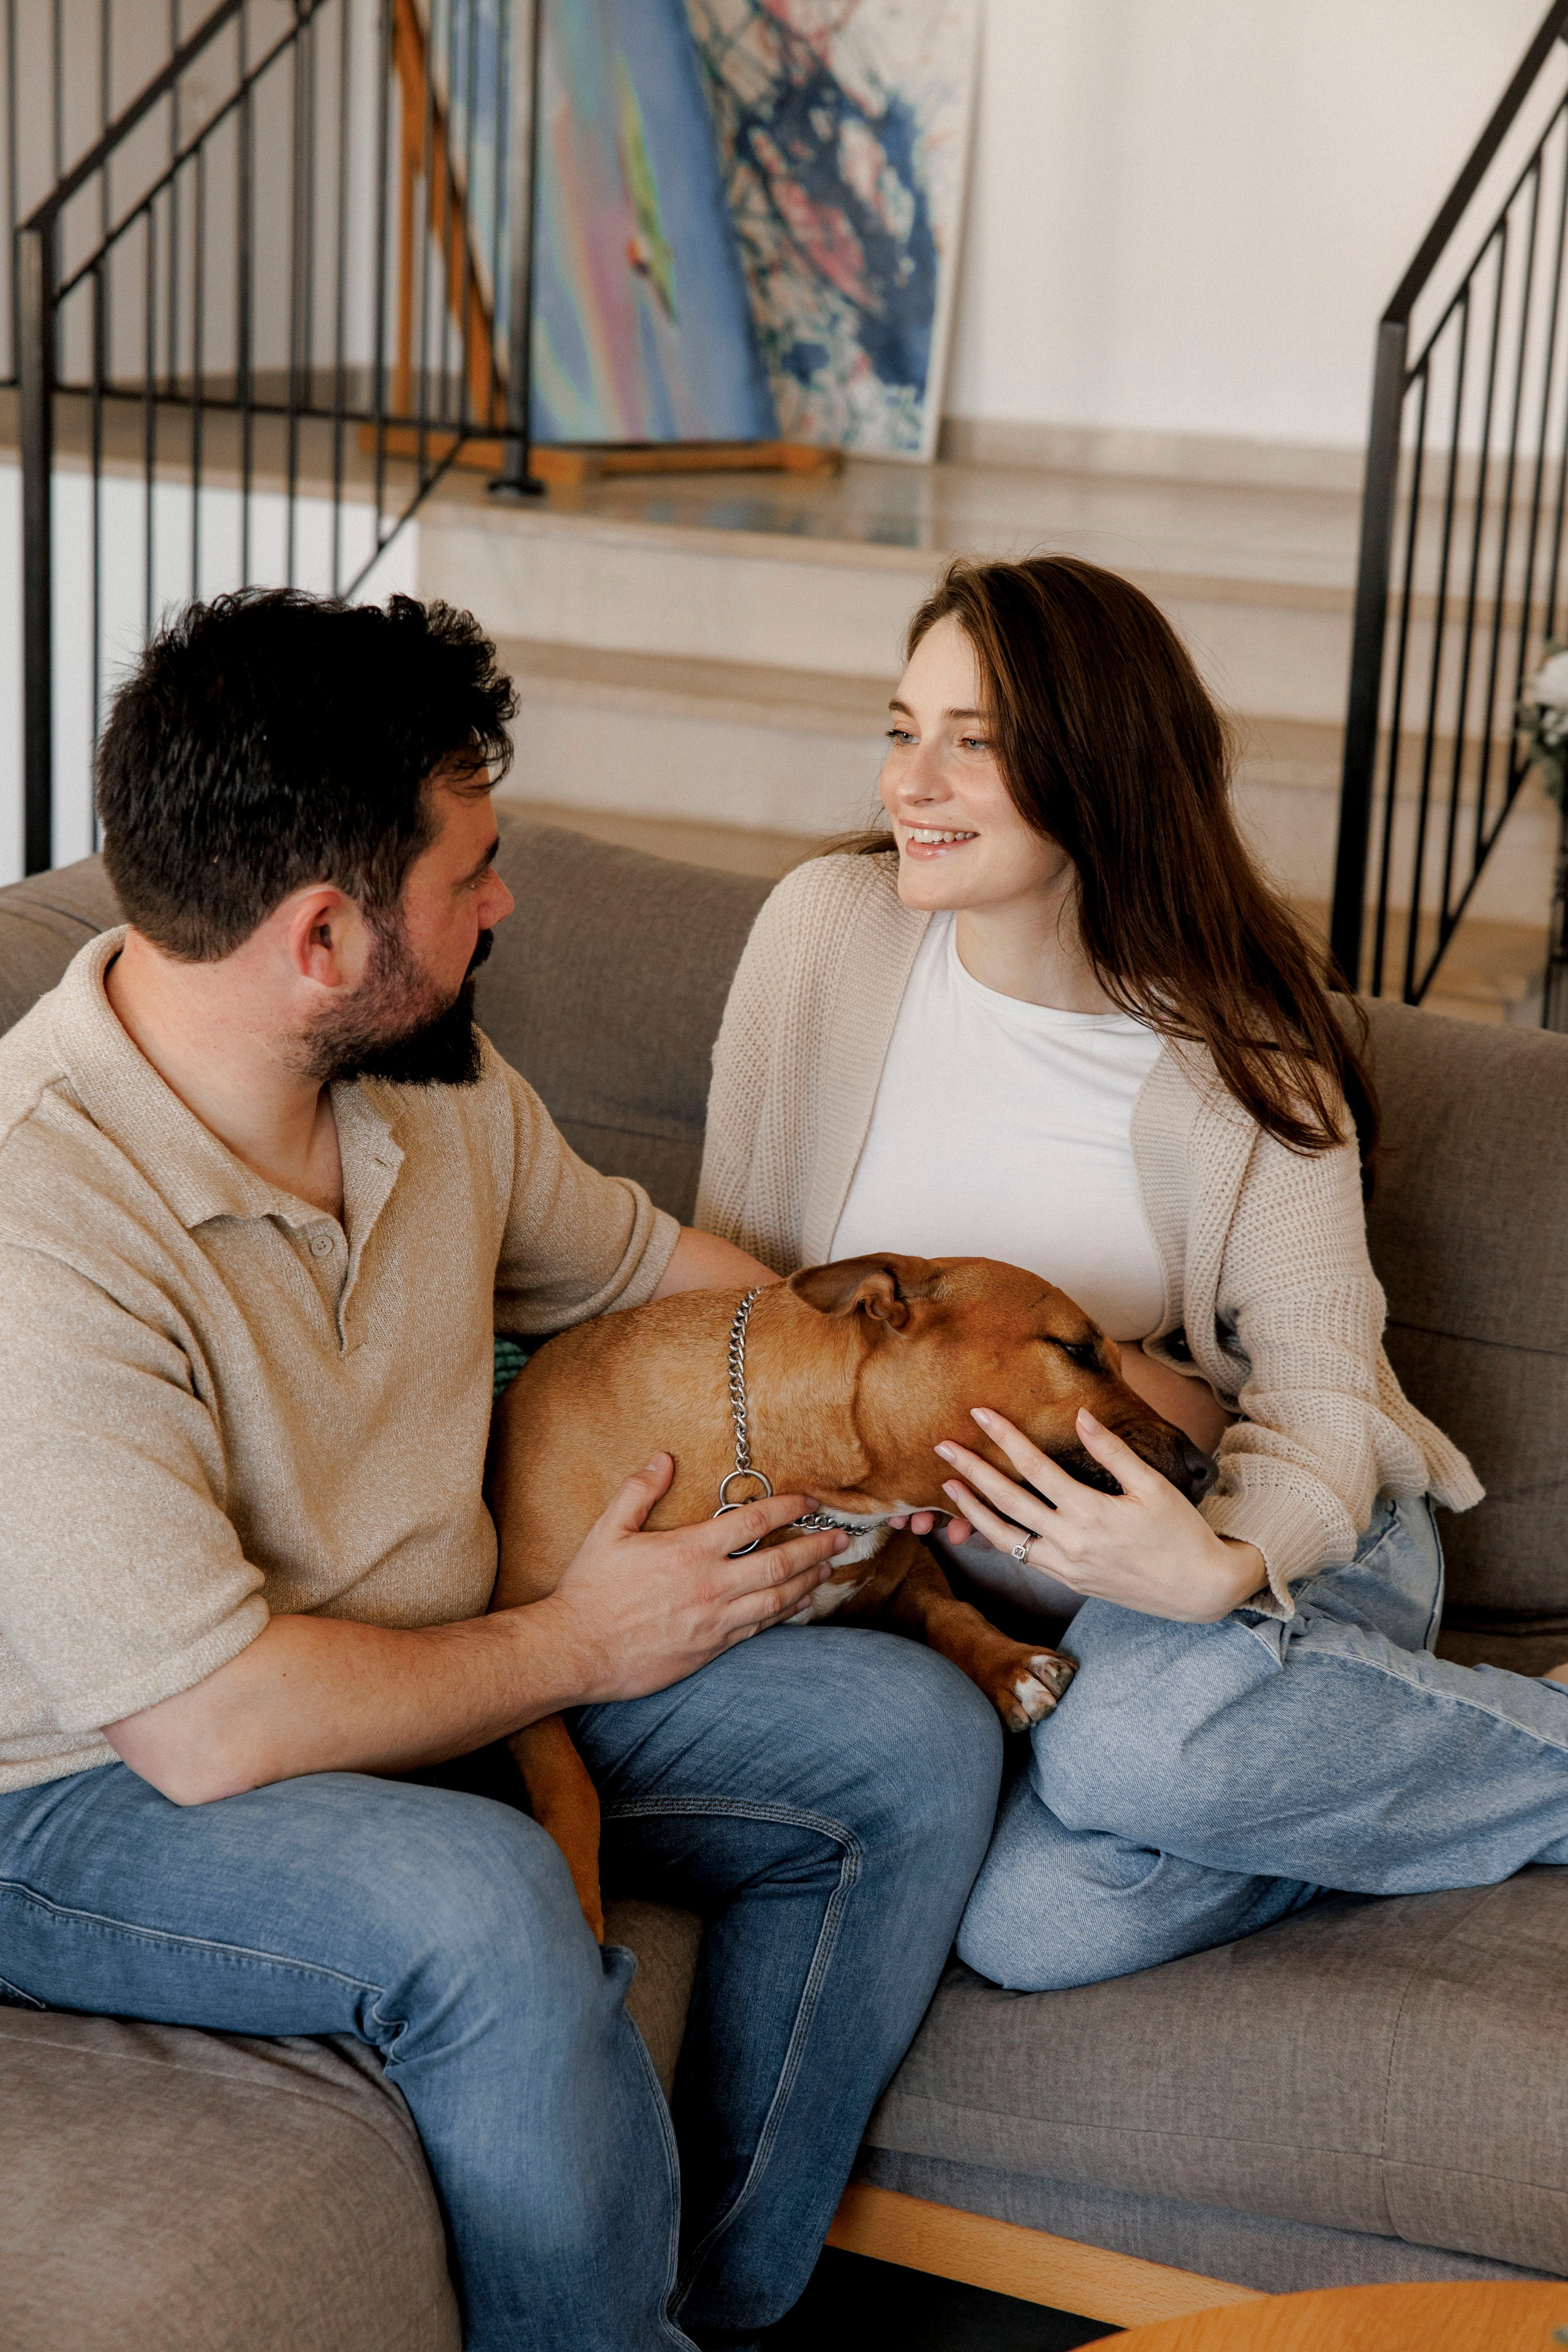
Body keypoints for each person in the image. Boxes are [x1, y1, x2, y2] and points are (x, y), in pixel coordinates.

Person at [0, 589, 1003, 2352]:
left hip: (440, 1664)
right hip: (81, 1786)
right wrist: (590, 1645)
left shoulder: (426, 1081)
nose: (505, 905)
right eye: (471, 875)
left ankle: (697, 2308)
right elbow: (208, 1722)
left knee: (911, 1744)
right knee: (479, 1901)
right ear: (323, 936)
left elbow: (647, 1271)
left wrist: (896, 1396)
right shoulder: (41, 1215)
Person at [697, 552, 1568, 1997]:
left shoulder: (1245, 1056)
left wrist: (1216, 1563)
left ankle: (1353, 1730)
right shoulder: (823, 935)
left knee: (1126, 1747)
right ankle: (1414, 1751)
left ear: (1094, 769)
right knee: (1031, 1929)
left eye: (971, 745)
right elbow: (743, 1297)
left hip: (1266, 1521)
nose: (909, 783)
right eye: (900, 728)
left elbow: (1322, 1400)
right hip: (1005, 1575)